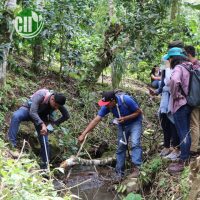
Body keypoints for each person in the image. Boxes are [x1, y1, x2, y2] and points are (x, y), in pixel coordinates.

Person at [78, 91, 143, 178]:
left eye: (107, 103)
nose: (105, 105)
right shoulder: (107, 107)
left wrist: (125, 118)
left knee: (135, 143)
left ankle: (137, 169)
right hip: (122, 125)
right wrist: (84, 134)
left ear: (113, 101)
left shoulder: (126, 100)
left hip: (135, 123)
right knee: (121, 147)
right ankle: (119, 173)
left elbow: (139, 112)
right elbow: (96, 120)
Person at [8, 88, 70, 168]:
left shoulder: (57, 103)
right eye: (55, 105)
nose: (56, 108)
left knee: (44, 141)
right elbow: (32, 112)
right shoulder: (41, 95)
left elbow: (66, 116)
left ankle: (45, 168)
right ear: (52, 99)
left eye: (58, 107)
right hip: (28, 110)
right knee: (16, 116)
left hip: (41, 117)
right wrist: (42, 124)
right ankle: (12, 145)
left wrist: (52, 124)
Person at [165, 47, 192, 173]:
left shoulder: (178, 68)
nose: (168, 61)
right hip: (189, 103)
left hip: (180, 104)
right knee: (186, 132)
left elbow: (175, 80)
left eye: (169, 58)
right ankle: (186, 157)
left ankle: (184, 160)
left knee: (183, 133)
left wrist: (175, 95)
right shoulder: (189, 66)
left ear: (173, 58)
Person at [149, 55, 180, 160]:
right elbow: (162, 83)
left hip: (174, 96)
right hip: (165, 96)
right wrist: (156, 92)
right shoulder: (164, 64)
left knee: (173, 121)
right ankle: (167, 146)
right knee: (164, 120)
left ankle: (176, 148)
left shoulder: (178, 65)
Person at [184, 45, 200, 156]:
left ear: (188, 55)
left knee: (194, 124)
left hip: (196, 101)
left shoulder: (192, 68)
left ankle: (193, 149)